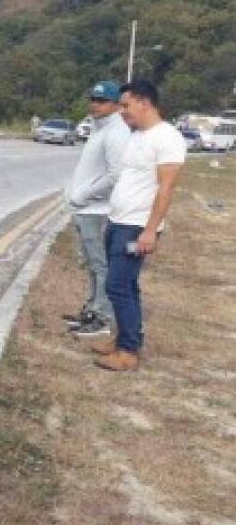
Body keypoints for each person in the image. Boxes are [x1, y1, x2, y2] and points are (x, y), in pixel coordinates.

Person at [90, 79, 186, 372]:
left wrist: (149, 230)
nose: (122, 111)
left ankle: (128, 351)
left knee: (118, 285)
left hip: (136, 228)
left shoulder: (167, 138)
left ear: (145, 102)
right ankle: (124, 339)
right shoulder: (138, 135)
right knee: (125, 285)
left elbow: (165, 189)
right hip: (119, 222)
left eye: (126, 105)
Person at [62, 80, 130, 338]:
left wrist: (83, 194)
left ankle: (102, 317)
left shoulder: (116, 133)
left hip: (96, 210)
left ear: (115, 105)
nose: (95, 105)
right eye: (93, 99)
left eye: (102, 101)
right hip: (85, 208)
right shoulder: (99, 129)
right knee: (91, 263)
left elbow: (115, 175)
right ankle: (92, 308)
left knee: (100, 265)